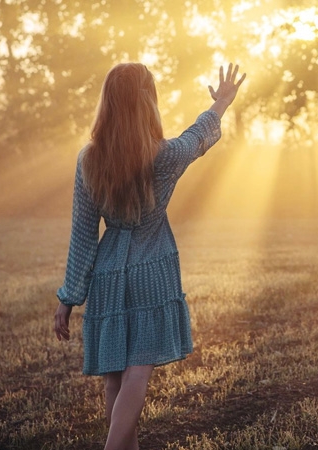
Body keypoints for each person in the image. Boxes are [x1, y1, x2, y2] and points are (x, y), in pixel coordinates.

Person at [53, 62, 245, 449]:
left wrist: (67, 299)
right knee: (137, 373)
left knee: (114, 378)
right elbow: (198, 137)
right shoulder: (166, 155)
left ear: (107, 104)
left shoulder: (88, 160)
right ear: (149, 102)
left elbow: (83, 235)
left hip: (107, 274)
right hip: (151, 270)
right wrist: (221, 103)